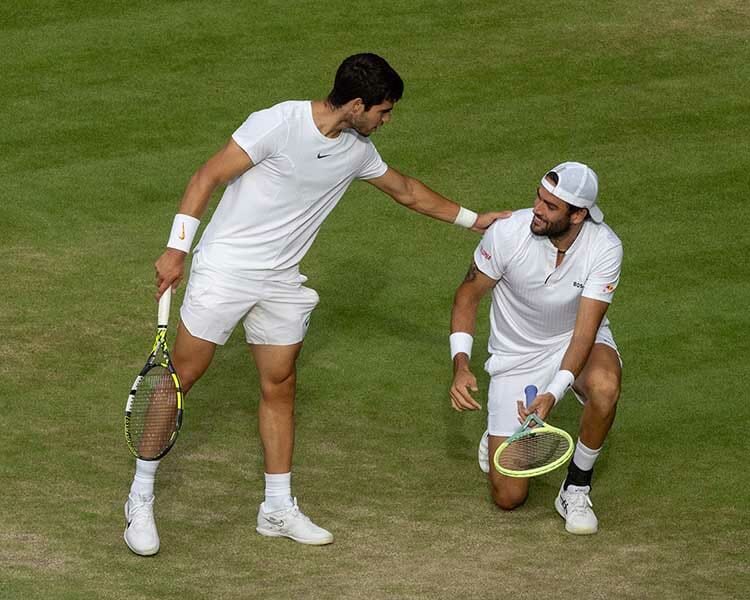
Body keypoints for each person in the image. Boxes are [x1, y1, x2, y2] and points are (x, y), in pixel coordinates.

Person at [123, 53, 509, 556]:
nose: (386, 121)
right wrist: (178, 248)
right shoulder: (277, 124)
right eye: (383, 111)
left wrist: (476, 219)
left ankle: (277, 508)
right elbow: (207, 177)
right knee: (182, 377)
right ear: (355, 104)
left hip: (283, 282)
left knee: (280, 384)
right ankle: (141, 495)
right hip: (226, 270)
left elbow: (408, 192)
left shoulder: (356, 150)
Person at [448, 161, 623, 535]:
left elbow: (583, 335)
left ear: (578, 215)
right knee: (508, 497)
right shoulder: (508, 233)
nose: (538, 210)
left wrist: (553, 394)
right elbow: (467, 296)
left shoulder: (605, 247)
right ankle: (502, 425)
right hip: (516, 357)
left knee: (605, 388)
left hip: (574, 340)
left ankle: (575, 486)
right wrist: (460, 364)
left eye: (551, 206)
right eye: (539, 198)